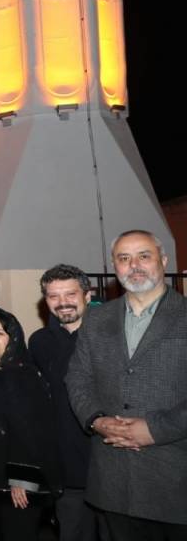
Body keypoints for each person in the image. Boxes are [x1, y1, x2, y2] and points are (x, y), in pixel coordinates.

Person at [67, 230, 187, 538]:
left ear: (163, 260)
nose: (134, 265)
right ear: (114, 267)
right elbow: (78, 378)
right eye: (124, 258)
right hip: (113, 482)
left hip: (174, 479)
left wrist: (156, 429)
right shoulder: (95, 319)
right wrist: (96, 420)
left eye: (143, 256)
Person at [0, 307, 59, 541]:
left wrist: (22, 481)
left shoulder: (23, 375)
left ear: (12, 337)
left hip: (15, 482)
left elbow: (33, 431)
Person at [28, 264, 98, 541]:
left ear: (87, 295)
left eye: (70, 294)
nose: (62, 303)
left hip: (108, 461)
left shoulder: (108, 337)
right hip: (65, 468)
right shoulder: (39, 342)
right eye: (53, 296)